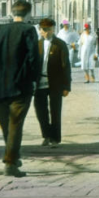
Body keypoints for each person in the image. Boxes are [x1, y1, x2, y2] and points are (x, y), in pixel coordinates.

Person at [0, 0, 41, 177]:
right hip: (20, 85)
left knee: (7, 126)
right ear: (28, 13)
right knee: (15, 125)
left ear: (11, 11)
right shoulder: (29, 30)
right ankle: (10, 163)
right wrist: (34, 79)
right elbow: (33, 57)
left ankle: (13, 157)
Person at [34, 17, 72, 148]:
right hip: (39, 83)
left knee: (55, 110)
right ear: (40, 30)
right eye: (44, 30)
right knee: (40, 111)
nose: (46, 32)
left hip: (56, 82)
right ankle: (46, 135)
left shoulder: (60, 44)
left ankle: (55, 138)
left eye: (49, 29)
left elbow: (66, 66)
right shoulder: (36, 45)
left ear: (53, 29)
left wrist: (67, 86)